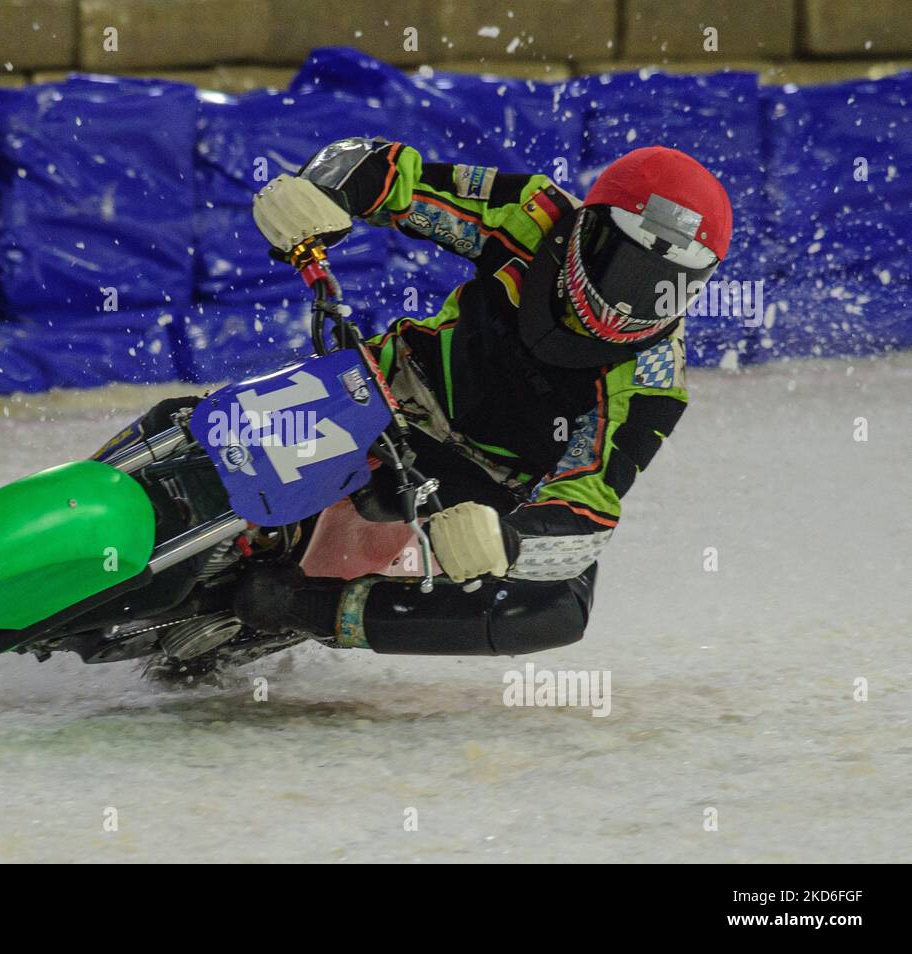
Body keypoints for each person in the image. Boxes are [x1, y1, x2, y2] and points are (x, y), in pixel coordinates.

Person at [226, 139, 732, 656]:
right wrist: (321, 190)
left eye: (664, 284)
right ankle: (175, 442)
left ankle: (312, 609)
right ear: (588, 225)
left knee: (555, 611)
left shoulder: (653, 380)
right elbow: (394, 175)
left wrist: (507, 541)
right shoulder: (533, 213)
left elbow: (589, 506)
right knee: (214, 425)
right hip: (391, 387)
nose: (635, 299)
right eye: (625, 268)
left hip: (480, 489)